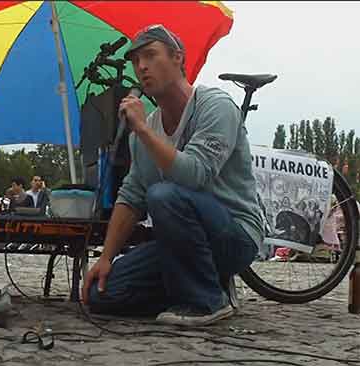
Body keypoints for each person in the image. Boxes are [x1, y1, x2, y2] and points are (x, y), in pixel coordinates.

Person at [82, 24, 262, 327]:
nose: (141, 67)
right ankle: (197, 283)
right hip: (180, 245)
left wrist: (141, 129)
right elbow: (131, 194)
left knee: (164, 194)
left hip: (234, 235)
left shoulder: (215, 106)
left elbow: (194, 175)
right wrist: (105, 258)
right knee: (103, 295)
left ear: (178, 58)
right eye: (136, 60)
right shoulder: (145, 131)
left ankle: (207, 301)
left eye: (151, 55)